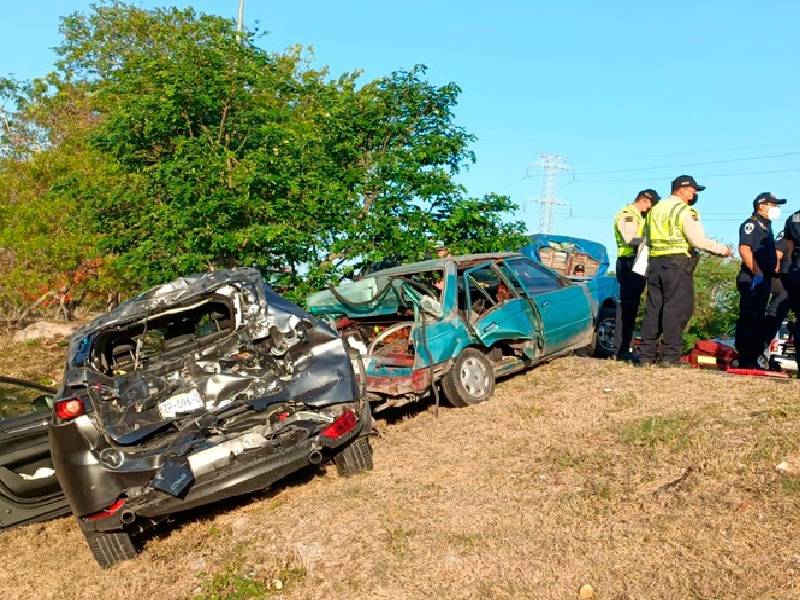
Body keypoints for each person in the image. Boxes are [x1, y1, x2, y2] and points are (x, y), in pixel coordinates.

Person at [638, 175, 732, 366]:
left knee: (654, 309)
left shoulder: (655, 210)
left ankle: (646, 356)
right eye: (693, 190)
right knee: (677, 310)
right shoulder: (685, 210)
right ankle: (669, 357)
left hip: (655, 263)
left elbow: (645, 238)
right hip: (677, 264)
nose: (695, 194)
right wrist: (723, 250)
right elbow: (697, 240)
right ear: (681, 189)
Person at [734, 193, 786, 368]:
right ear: (761, 206)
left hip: (764, 278)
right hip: (752, 277)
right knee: (749, 316)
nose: (776, 209)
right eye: (773, 205)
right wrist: (756, 273)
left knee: (758, 317)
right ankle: (744, 358)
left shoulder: (767, 227)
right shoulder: (752, 224)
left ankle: (753, 356)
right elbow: (744, 250)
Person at [612, 189, 660, 360]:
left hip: (635, 262)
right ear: (645, 200)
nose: (650, 209)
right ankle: (620, 349)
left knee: (632, 307)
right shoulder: (628, 214)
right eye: (651, 205)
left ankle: (624, 347)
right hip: (629, 262)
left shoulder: (638, 216)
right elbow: (629, 239)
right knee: (627, 307)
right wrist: (651, 240)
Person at [764, 229, 791, 341]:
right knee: (782, 299)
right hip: (779, 278)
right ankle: (765, 335)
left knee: (783, 307)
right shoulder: (787, 239)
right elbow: (776, 255)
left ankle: (767, 336)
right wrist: (776, 268)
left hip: (790, 280)